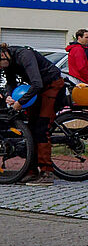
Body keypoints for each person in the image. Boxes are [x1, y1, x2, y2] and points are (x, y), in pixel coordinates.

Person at [0, 42, 65, 185]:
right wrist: (10, 96)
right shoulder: (8, 62)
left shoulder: (25, 55)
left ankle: (47, 172)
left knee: (42, 128)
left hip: (51, 85)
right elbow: (10, 82)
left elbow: (37, 83)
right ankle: (32, 170)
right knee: (30, 129)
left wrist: (21, 102)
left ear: (3, 54)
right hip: (37, 90)